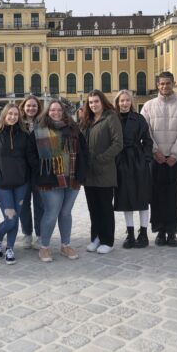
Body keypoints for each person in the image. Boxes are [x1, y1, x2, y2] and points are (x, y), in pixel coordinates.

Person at [30, 100, 87, 262]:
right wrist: (41, 172)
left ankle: (65, 245)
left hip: (72, 177)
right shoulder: (38, 130)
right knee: (51, 213)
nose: (56, 113)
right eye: (52, 110)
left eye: (59, 110)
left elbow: (84, 150)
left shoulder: (74, 129)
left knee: (66, 213)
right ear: (48, 112)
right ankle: (44, 247)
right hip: (49, 179)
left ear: (63, 112)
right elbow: (31, 155)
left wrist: (82, 171)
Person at [141, 72, 177, 247]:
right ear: (157, 85)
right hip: (156, 159)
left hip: (173, 160)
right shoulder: (148, 106)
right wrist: (156, 152)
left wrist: (175, 154)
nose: (164, 87)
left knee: (173, 195)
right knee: (156, 194)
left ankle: (172, 232)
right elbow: (145, 131)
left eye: (168, 83)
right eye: (161, 84)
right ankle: (160, 231)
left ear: (173, 83)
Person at [0, 103, 35, 265]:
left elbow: (29, 158)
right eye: (10, 114)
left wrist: (27, 175)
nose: (12, 117)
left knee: (16, 217)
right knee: (11, 219)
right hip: (3, 185)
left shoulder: (25, 135)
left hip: (21, 184)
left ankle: (10, 248)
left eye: (15, 114)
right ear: (4, 115)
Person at [80, 90, 123, 254]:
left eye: (96, 101)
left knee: (105, 207)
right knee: (93, 208)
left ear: (102, 102)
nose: (93, 105)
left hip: (104, 171)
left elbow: (118, 143)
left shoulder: (111, 117)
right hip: (89, 172)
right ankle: (96, 237)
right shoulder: (87, 120)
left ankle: (107, 240)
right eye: (90, 102)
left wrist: (101, 158)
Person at [113, 90, 153, 248]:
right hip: (120, 161)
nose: (124, 103)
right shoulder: (113, 119)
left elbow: (148, 141)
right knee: (125, 198)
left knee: (142, 197)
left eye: (127, 100)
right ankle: (129, 234)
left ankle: (143, 233)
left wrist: (146, 159)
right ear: (117, 103)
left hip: (138, 161)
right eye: (121, 101)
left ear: (131, 102)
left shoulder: (139, 119)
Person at [18, 95, 43, 249]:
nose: (31, 108)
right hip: (22, 171)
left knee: (40, 204)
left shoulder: (43, 124)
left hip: (39, 170)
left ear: (38, 108)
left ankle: (40, 235)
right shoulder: (18, 124)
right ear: (23, 107)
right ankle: (27, 233)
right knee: (23, 204)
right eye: (28, 106)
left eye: (34, 106)